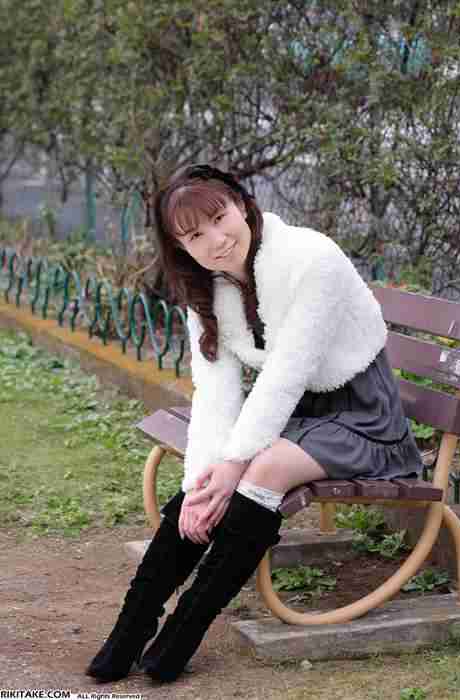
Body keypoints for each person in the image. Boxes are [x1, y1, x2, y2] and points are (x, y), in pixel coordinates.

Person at [86, 164, 423, 684]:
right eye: (195, 236)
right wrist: (201, 481)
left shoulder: (311, 258)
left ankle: (182, 635)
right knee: (214, 478)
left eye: (220, 218)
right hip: (298, 415)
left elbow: (287, 372)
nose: (216, 241)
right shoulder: (206, 288)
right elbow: (215, 390)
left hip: (364, 417)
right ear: (180, 247)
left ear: (242, 205)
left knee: (259, 469)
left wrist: (234, 464)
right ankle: (130, 630)